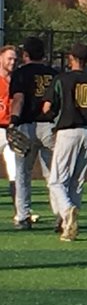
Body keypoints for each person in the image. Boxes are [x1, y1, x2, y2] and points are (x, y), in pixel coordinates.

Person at [44, 43, 87, 241]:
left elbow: (47, 107)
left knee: (56, 180)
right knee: (77, 182)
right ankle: (69, 227)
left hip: (67, 131)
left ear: (71, 57)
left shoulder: (62, 79)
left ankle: (66, 212)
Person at [9, 37, 57, 229]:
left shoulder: (21, 73)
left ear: (26, 55)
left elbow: (19, 99)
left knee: (22, 173)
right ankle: (61, 214)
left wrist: (13, 121)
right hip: (50, 126)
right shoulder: (54, 73)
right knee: (53, 174)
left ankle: (23, 216)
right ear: (43, 55)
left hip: (27, 125)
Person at [0, 45, 21, 225]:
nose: (12, 62)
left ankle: (20, 213)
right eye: (9, 58)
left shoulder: (17, 80)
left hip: (11, 130)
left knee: (15, 173)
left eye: (15, 59)